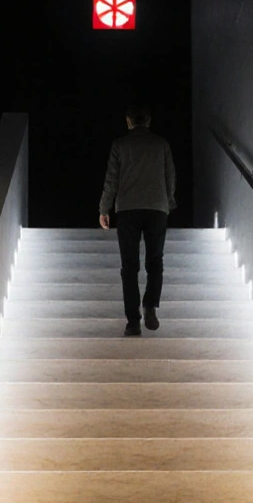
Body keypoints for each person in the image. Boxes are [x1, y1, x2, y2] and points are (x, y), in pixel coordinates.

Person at [98, 105, 177, 336]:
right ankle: (150, 304)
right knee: (155, 261)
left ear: (128, 121)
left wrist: (104, 208)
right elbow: (170, 177)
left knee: (129, 266)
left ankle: (133, 321)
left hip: (128, 209)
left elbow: (111, 180)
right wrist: (168, 202)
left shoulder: (120, 145)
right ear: (149, 121)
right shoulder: (161, 145)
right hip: (156, 208)